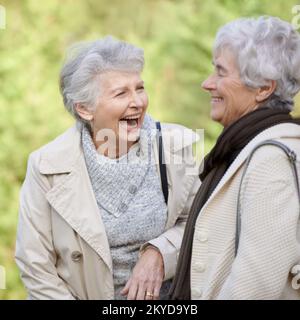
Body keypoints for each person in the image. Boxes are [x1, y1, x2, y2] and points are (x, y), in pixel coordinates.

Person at [15, 36, 200, 300]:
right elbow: (35, 265)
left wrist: (160, 252)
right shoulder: (47, 167)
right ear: (85, 109)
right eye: (121, 93)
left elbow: (200, 226)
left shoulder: (174, 148)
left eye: (139, 88)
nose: (137, 101)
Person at [170, 16, 300, 300]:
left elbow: (256, 284)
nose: (207, 83)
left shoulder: (270, 158)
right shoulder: (243, 146)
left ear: (264, 88)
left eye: (220, 72)